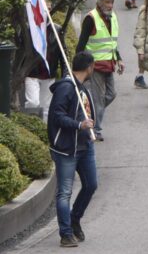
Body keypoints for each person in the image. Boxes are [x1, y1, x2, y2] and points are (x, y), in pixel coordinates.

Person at [48, 51, 98, 247]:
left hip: (85, 146)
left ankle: (75, 218)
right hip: (67, 149)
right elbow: (56, 116)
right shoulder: (66, 88)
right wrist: (79, 125)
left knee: (91, 184)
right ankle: (66, 233)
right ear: (89, 67)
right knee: (65, 192)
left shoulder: (81, 88)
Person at [76, 0, 124, 140]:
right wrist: (80, 68)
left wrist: (119, 59)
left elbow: (112, 42)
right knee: (98, 99)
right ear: (99, 2)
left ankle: (88, 112)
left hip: (109, 63)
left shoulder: (113, 17)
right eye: (107, 2)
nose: (110, 5)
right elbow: (81, 45)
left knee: (111, 94)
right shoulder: (91, 18)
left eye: (111, 3)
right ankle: (96, 130)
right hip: (94, 66)